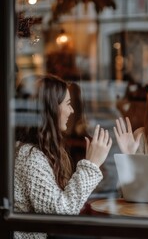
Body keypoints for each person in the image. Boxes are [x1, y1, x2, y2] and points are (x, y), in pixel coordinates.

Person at [14, 74, 112, 239]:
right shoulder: (29, 157)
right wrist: (91, 164)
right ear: (51, 108)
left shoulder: (30, 150)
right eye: (68, 104)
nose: (72, 110)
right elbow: (60, 213)